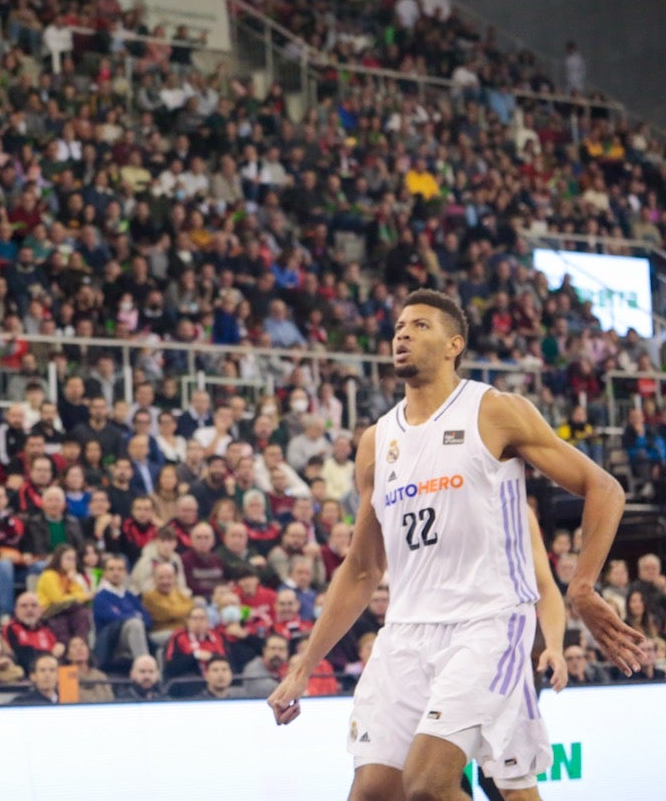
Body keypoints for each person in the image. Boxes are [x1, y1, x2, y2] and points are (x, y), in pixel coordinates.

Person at [269, 290, 646, 801]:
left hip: (487, 624)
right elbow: (361, 569)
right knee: (375, 793)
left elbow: (605, 487)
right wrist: (302, 667)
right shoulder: (376, 442)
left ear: (454, 344)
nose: (402, 334)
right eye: (399, 325)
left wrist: (581, 586)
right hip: (405, 633)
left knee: (429, 784)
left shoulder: (493, 411)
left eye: (419, 325)